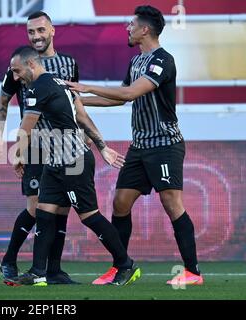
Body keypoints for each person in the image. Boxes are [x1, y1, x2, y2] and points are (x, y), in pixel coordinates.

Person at [66, 5, 204, 286]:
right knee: (120, 202)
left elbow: (130, 92)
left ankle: (193, 272)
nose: (127, 29)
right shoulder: (136, 62)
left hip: (165, 143)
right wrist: (77, 101)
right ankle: (122, 267)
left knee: (171, 202)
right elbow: (121, 98)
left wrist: (87, 87)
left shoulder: (163, 60)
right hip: (140, 146)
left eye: (131, 24)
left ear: (145, 30)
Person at [8, 45, 140, 286]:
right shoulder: (61, 84)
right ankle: (39, 272)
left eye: (17, 71)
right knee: (45, 213)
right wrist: (101, 146)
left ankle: (126, 264)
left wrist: (18, 156)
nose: (16, 78)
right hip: (56, 163)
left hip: (73, 162)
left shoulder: (38, 88)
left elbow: (27, 126)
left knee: (90, 216)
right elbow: (82, 116)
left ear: (31, 64)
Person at [0, 11, 82, 285]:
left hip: (66, 146)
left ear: (52, 30)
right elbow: (2, 103)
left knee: (62, 207)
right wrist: (0, 139)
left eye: (40, 30)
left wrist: (86, 136)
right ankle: (9, 258)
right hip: (35, 146)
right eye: (31, 32)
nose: (36, 36)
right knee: (35, 209)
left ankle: (54, 270)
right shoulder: (18, 65)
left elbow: (75, 101)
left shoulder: (68, 63)